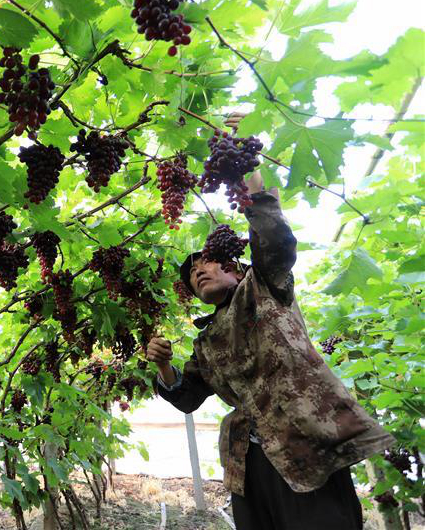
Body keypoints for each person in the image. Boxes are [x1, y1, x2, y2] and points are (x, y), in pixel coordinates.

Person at [144, 117, 394, 530]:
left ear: (238, 269)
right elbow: (187, 397)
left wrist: (245, 160)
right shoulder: (206, 342)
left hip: (306, 442)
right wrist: (162, 365)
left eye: (207, 262)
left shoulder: (266, 286)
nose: (198, 272)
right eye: (191, 274)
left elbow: (273, 236)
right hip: (249, 461)